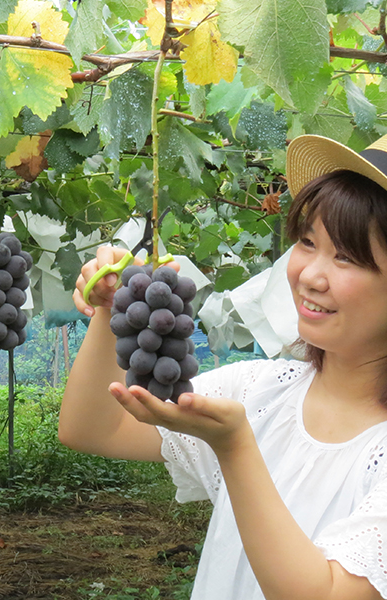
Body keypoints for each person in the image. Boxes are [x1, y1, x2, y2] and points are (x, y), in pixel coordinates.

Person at [59, 133, 387, 600]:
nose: (311, 275)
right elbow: (93, 430)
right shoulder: (259, 390)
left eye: (347, 257)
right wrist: (110, 312)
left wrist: (235, 449)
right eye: (308, 242)